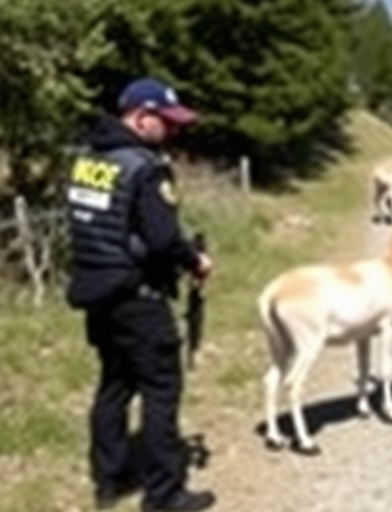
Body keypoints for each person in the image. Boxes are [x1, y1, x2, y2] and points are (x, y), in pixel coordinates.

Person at [64, 77, 216, 512]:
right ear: (141, 116)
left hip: (97, 293)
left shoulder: (89, 159)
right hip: (138, 296)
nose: (172, 131)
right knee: (160, 389)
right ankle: (164, 494)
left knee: (114, 384)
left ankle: (107, 481)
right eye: (166, 122)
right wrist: (195, 262)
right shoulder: (146, 167)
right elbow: (164, 238)